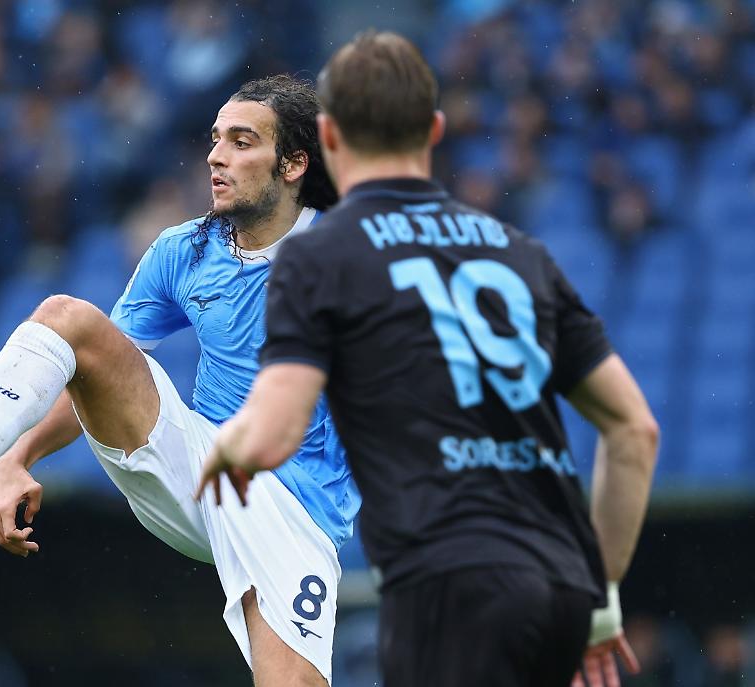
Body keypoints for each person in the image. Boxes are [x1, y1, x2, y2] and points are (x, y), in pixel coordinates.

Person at [198, 31, 659, 687]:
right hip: (553, 580)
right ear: (434, 129)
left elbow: (275, 425)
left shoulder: (324, 256)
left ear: (326, 139)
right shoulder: (518, 251)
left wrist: (225, 446)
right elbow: (634, 429)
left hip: (445, 581)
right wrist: (599, 596)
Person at [0, 75, 360, 686]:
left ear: (294, 163)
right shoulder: (184, 251)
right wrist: (17, 458)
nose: (217, 156)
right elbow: (89, 368)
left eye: (243, 142)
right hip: (200, 464)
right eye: (215, 139)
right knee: (70, 319)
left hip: (294, 505)